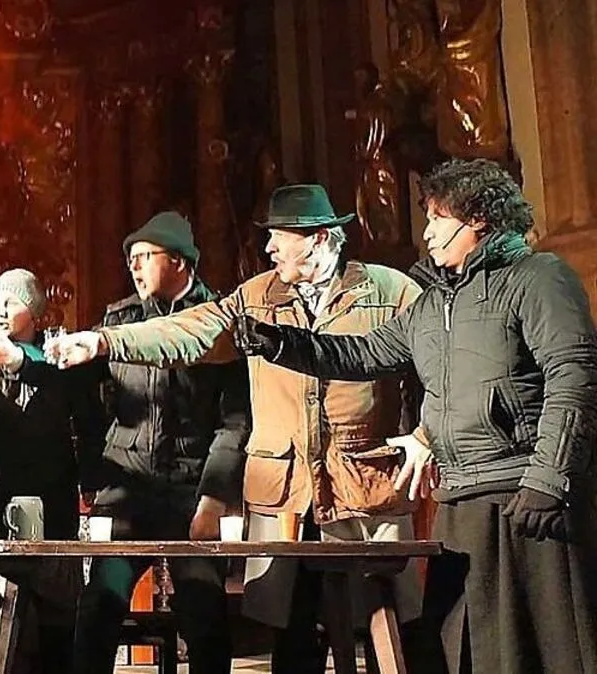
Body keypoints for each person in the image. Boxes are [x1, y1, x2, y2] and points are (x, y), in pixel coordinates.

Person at [234, 159, 597, 673]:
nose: (426, 233)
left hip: (524, 498)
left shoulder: (538, 279)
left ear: (478, 219)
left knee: (545, 651)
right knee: (468, 653)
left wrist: (549, 478)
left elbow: (574, 375)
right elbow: (363, 354)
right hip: (460, 501)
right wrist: (282, 343)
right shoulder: (432, 302)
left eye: (437, 219)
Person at [49, 185, 425, 671]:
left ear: (317, 238)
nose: (268, 248)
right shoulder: (257, 295)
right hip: (287, 492)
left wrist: (423, 436)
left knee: (389, 632)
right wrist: (103, 342)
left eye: (279, 236)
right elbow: (192, 329)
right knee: (292, 635)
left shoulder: (391, 292)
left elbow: (437, 366)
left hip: (362, 485)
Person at [47, 211, 250, 674]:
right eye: (130, 259)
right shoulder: (119, 320)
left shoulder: (218, 324)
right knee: (99, 604)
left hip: (190, 490)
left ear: (178, 261)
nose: (134, 267)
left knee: (204, 611)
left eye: (144, 256)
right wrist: (97, 471)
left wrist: (213, 497)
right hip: (128, 490)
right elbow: (83, 399)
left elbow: (235, 421)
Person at [0, 268, 104, 672]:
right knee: (6, 603)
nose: (0, 310)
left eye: (11, 302)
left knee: (57, 599)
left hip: (53, 489)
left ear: (34, 309)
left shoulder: (60, 353)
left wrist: (91, 480)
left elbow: (88, 420)